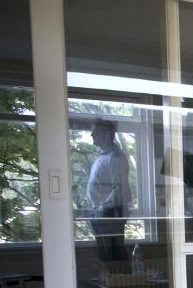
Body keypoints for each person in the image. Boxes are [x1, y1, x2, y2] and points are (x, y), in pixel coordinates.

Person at [86, 118, 131, 275]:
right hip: (102, 212)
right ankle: (113, 280)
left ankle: (121, 282)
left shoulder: (115, 158)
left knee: (112, 254)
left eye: (95, 132)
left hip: (110, 212)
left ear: (105, 134)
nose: (91, 134)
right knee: (106, 254)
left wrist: (101, 209)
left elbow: (117, 189)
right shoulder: (104, 156)